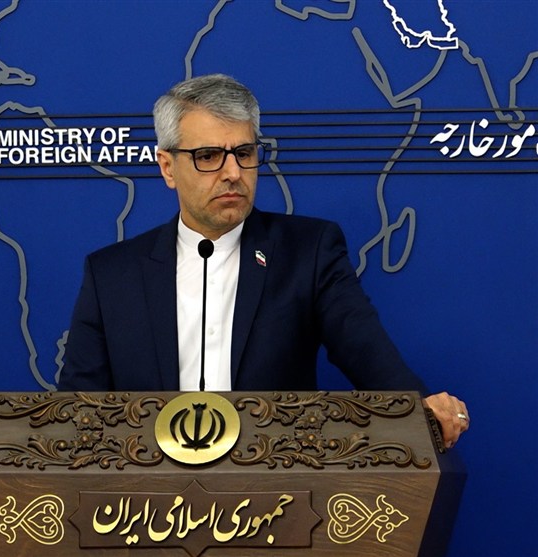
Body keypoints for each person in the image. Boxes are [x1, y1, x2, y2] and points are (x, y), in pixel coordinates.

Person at [58, 74, 469, 448]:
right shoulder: (111, 275)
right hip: (145, 496)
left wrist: (420, 411)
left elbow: (366, 351)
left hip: (277, 490)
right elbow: (76, 416)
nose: (233, 172)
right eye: (208, 156)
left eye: (244, 152)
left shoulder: (308, 252)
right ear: (168, 167)